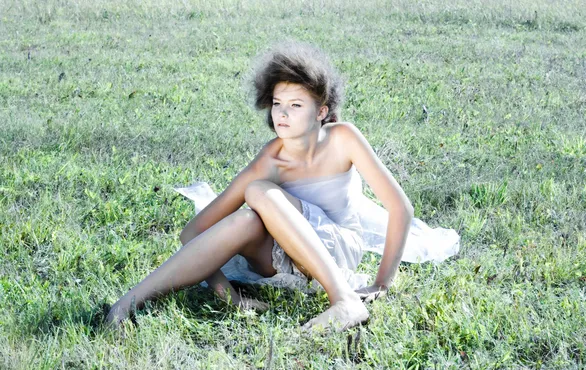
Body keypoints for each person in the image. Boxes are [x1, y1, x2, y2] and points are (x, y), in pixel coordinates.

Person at [106, 41, 414, 331]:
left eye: (295, 105)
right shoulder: (269, 160)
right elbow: (192, 232)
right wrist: (230, 297)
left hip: (339, 249)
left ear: (321, 112)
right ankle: (124, 305)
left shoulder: (342, 138)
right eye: (277, 103)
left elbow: (400, 208)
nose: (282, 113)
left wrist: (381, 283)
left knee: (257, 192)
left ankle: (344, 299)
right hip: (286, 259)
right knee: (246, 219)